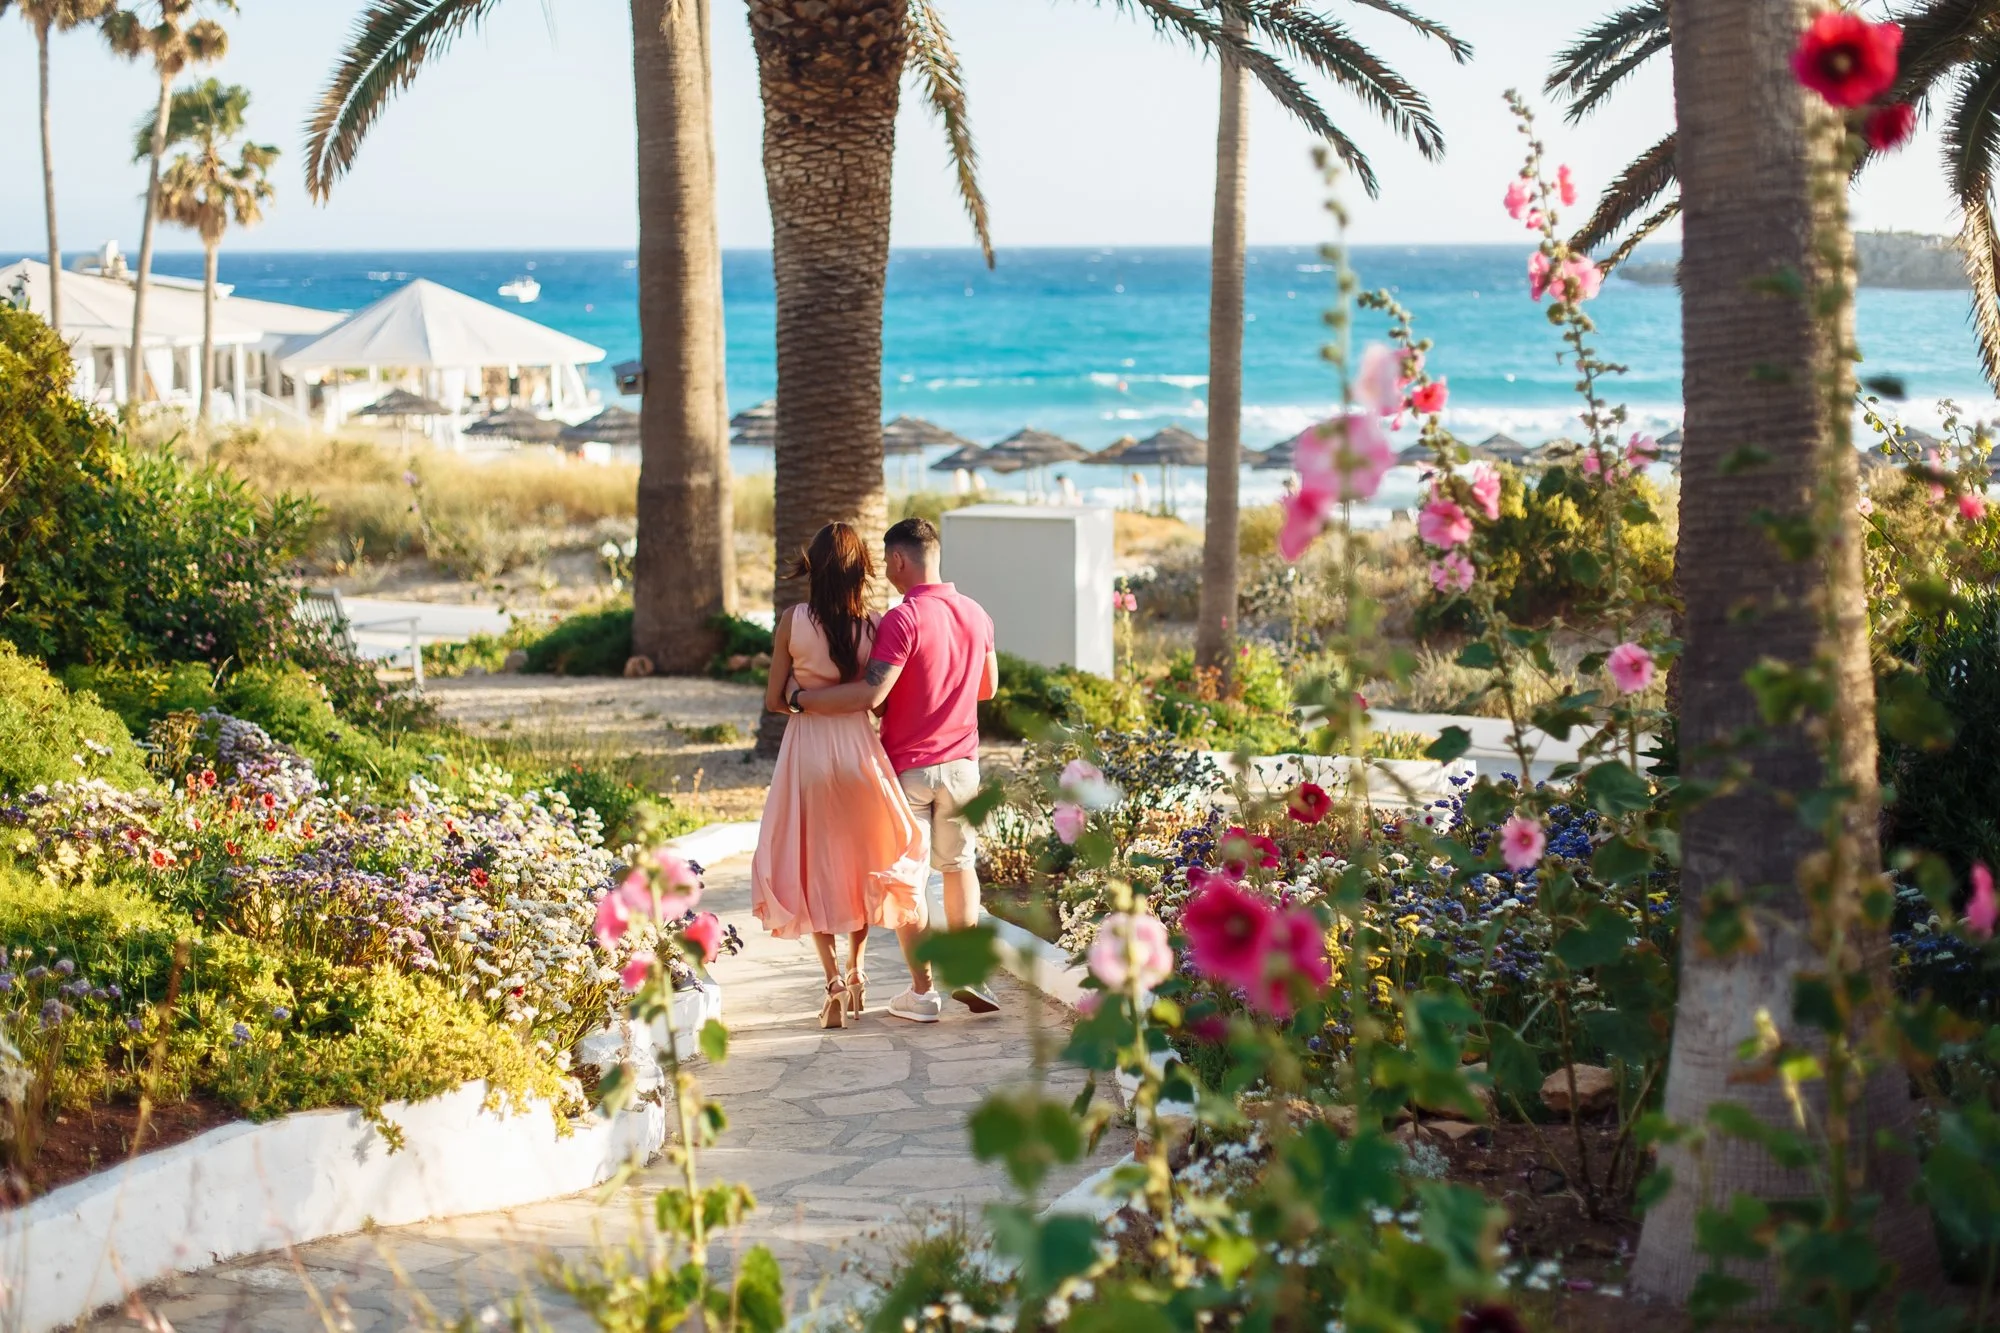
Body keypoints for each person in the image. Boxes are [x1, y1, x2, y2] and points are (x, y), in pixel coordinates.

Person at [794, 517, 999, 1023]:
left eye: (887, 561)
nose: (885, 570)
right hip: (964, 767)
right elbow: (988, 688)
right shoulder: (976, 613)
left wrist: (802, 700)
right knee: (959, 867)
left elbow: (870, 694)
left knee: (910, 880)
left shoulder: (902, 620)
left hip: (910, 768)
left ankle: (923, 992)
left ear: (902, 560)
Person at [752, 523, 928, 1029]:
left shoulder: (792, 621)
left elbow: (773, 700)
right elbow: (881, 696)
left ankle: (831, 980)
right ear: (859, 572)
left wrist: (805, 701)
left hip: (806, 753)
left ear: (815, 568)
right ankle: (857, 972)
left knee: (814, 864)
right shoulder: (872, 624)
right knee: (862, 861)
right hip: (858, 750)